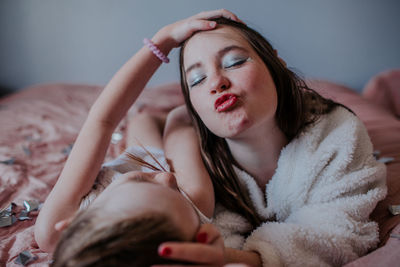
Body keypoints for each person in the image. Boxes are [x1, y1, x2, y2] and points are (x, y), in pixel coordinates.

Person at [153, 15, 388, 266]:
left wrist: (243, 258)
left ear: (275, 62)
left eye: (235, 62)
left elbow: (339, 233)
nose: (216, 82)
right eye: (197, 80)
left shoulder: (337, 133)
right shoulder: (196, 155)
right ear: (194, 108)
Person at [34, 9, 251, 266]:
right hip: (185, 192)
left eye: (137, 182)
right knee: (179, 121)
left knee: (141, 120)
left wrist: (163, 41)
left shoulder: (52, 229)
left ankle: (160, 124)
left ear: (78, 223)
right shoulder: (192, 201)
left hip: (140, 160)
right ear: (194, 245)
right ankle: (179, 115)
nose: (167, 177)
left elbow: (102, 120)